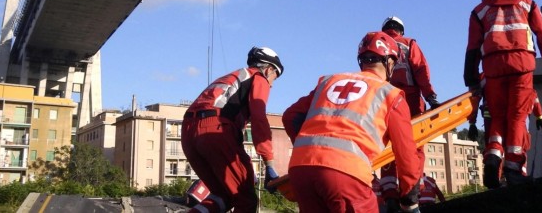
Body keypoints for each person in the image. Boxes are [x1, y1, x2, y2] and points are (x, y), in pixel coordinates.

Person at [283, 31, 421, 213]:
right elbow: (406, 153)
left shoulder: (329, 81)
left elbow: (290, 116)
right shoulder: (391, 95)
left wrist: (311, 151)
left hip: (301, 170)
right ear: (389, 62)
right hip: (345, 173)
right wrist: (409, 199)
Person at [464, 0, 542, 189]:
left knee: (497, 117)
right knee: (517, 118)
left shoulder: (479, 11)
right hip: (522, 66)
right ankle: (512, 167)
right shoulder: (527, 4)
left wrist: (471, 80)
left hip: (493, 69)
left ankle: (492, 155)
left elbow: (472, 48)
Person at [181, 47, 283, 213]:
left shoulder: (232, 77)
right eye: (274, 78)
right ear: (269, 69)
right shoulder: (259, 77)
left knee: (222, 195)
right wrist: (268, 162)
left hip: (188, 132)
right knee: (246, 198)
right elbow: (259, 118)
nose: (271, 85)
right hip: (215, 131)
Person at [379, 16, 439, 208]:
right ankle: (412, 189)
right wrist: (430, 96)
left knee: (387, 148)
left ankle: (389, 193)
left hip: (384, 101)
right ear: (401, 30)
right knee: (415, 146)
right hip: (411, 101)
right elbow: (421, 70)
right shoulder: (408, 44)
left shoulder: (377, 46)